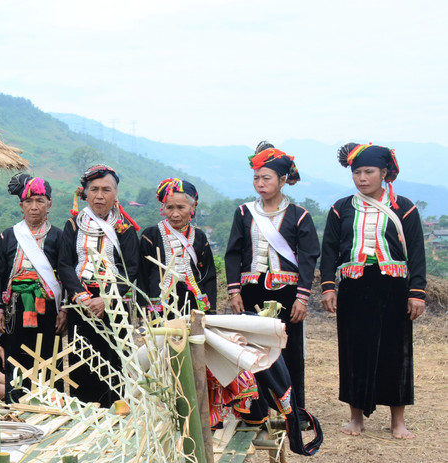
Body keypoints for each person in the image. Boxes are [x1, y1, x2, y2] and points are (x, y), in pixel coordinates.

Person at [320, 143, 426, 439]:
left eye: (369, 171)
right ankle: (356, 418)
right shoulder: (341, 208)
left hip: (393, 287)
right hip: (354, 287)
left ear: (384, 173)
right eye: (357, 172)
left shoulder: (403, 207)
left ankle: (398, 421)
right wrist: (329, 286)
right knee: (355, 351)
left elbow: (416, 251)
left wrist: (417, 292)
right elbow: (329, 250)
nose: (362, 178)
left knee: (396, 351)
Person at [224, 143, 319, 409]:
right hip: (251, 291)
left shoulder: (299, 216)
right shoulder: (244, 213)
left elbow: (309, 257)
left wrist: (302, 298)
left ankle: (293, 409)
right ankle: (256, 407)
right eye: (256, 177)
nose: (260, 183)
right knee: (251, 349)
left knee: (288, 349)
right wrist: (234, 291)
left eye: (267, 178)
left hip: (287, 294)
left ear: (282, 180)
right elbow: (233, 253)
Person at [57, 164, 140, 407]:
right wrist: (81, 297)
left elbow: (131, 268)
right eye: (94, 189)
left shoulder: (124, 228)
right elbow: (64, 265)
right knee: (82, 357)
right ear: (84, 193)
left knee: (114, 357)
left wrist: (107, 299)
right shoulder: (73, 225)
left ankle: (115, 412)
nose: (100, 195)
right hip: (81, 301)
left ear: (116, 194)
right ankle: (85, 410)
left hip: (113, 302)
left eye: (106, 189)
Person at [0, 173, 65, 400]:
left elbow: (66, 274)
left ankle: (49, 406)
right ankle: (17, 404)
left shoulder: (58, 237)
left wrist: (64, 310)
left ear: (49, 204)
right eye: (29, 202)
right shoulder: (8, 236)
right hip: (15, 308)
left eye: (40, 201)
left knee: (48, 356)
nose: (34, 207)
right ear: (21, 205)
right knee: (15, 356)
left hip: (47, 308)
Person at [139, 178, 216, 314]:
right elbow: (142, 275)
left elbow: (208, 274)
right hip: (160, 307)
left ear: (192, 207)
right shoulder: (150, 235)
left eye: (181, 207)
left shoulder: (199, 236)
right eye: (169, 208)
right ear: (163, 208)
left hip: (194, 305)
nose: (175, 214)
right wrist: (142, 310)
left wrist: (212, 309)